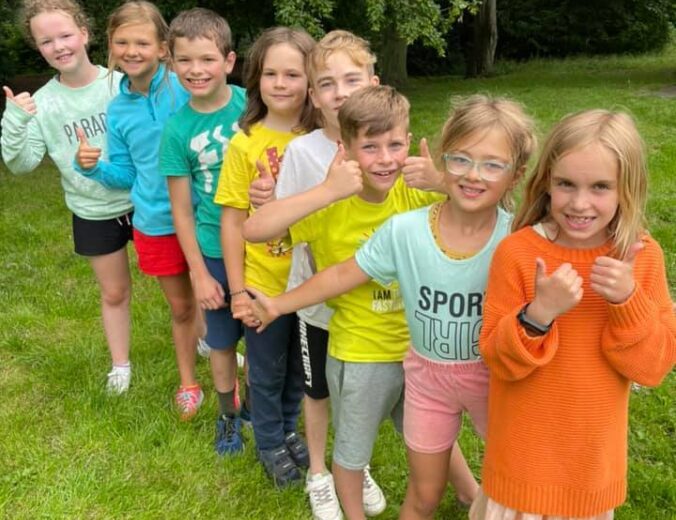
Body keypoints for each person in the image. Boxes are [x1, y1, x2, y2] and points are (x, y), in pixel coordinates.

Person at [238, 85, 449, 520]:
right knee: (353, 448)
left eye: (394, 144)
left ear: (408, 142)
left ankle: (470, 493)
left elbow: (491, 206)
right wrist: (327, 191)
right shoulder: (332, 205)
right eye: (370, 147)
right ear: (346, 148)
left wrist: (442, 180)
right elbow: (255, 229)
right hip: (359, 350)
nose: (386, 158)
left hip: (420, 349)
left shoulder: (416, 195)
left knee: (432, 436)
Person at [474, 109, 676, 519]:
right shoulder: (518, 254)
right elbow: (497, 359)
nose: (580, 203)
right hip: (522, 466)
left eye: (600, 187)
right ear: (546, 180)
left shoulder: (642, 258)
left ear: (628, 188)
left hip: (590, 471)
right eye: (566, 184)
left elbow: (652, 369)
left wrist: (627, 301)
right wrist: (537, 314)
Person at [246, 29, 380, 519]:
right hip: (319, 304)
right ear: (313, 95)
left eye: (352, 78)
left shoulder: (385, 144)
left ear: (373, 81)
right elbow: (272, 228)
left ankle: (353, 462)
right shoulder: (303, 152)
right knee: (318, 388)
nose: (340, 91)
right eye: (327, 83)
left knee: (355, 388)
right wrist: (324, 190)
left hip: (374, 306)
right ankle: (321, 471)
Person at [73, 1, 203, 420]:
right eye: (122, 42)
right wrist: (91, 167)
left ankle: (219, 354)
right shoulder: (118, 109)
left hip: (205, 216)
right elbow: (127, 174)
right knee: (182, 305)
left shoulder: (185, 87)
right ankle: (190, 375)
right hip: (155, 223)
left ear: (163, 48)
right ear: (109, 47)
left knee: (216, 297)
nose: (132, 50)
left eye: (142, 42)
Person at [1, 0, 133, 394]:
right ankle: (120, 366)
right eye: (46, 41)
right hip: (92, 210)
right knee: (114, 291)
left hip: (145, 201)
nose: (58, 46)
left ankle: (202, 340)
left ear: (85, 35)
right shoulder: (42, 104)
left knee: (179, 285)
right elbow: (22, 164)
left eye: (65, 35)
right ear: (38, 48)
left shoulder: (121, 83)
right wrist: (14, 120)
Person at [213, 26, 316, 487]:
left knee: (301, 367)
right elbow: (232, 221)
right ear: (256, 78)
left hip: (312, 281)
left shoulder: (322, 137)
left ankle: (289, 428)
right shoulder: (245, 142)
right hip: (263, 281)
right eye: (270, 73)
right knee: (268, 368)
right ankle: (269, 441)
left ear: (311, 79)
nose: (280, 83)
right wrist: (238, 291)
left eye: (292, 74)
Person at [158, 7, 247, 453]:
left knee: (268, 339)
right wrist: (198, 272)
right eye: (185, 61)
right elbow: (182, 210)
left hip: (268, 246)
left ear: (228, 62)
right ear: (171, 65)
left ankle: (261, 408)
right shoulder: (177, 130)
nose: (196, 70)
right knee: (222, 342)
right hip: (213, 248)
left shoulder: (253, 106)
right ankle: (228, 415)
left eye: (207, 59)